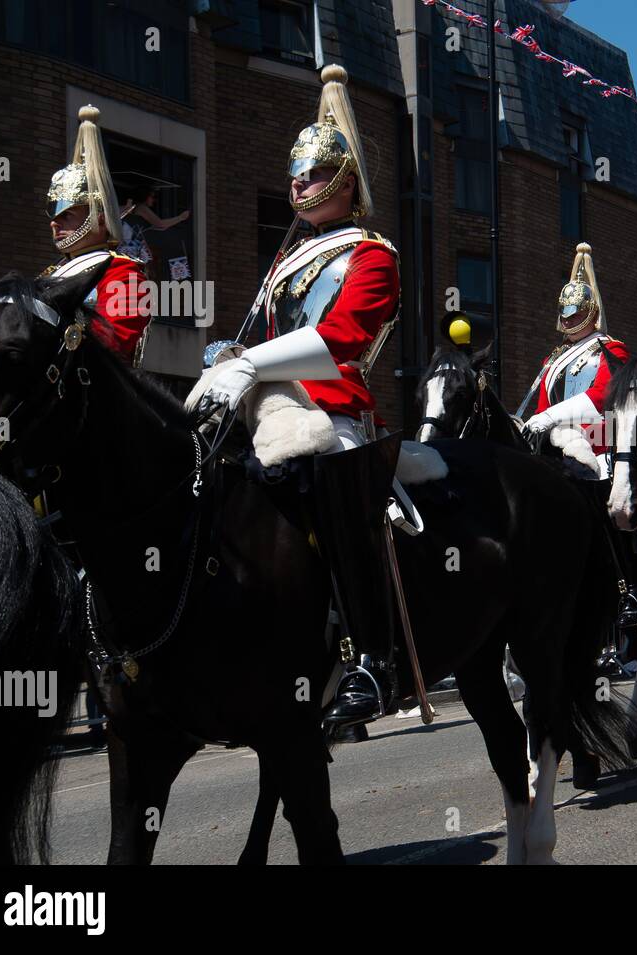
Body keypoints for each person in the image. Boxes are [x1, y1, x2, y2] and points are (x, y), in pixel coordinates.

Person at [187, 65, 403, 728]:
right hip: (267, 408)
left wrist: (250, 362)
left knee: (339, 488)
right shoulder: (287, 262)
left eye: (309, 174)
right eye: (294, 174)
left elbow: (340, 340)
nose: (297, 184)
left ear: (342, 179)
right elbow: (261, 335)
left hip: (333, 407)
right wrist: (229, 356)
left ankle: (372, 656)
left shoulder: (372, 254)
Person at [521, 243, 637, 628]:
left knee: (611, 513)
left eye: (574, 311)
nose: (568, 318)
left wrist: (548, 419)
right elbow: (540, 407)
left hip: (601, 446)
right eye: (564, 311)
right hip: (557, 449)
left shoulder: (612, 349)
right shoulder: (553, 360)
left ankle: (627, 592)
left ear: (591, 312)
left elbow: (604, 397)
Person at [41, 105, 151, 366]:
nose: (55, 224)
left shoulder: (123, 273)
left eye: (66, 216)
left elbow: (113, 342)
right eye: (54, 217)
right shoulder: (50, 273)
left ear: (98, 220)